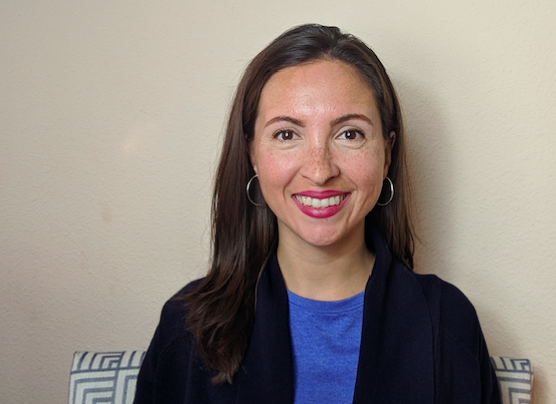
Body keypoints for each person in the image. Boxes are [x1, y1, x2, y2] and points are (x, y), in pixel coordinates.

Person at [134, 24, 501, 404]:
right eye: (287, 135)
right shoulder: (186, 329)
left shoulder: (449, 324)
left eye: (350, 134)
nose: (320, 169)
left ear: (386, 153)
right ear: (251, 154)